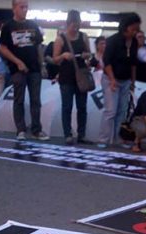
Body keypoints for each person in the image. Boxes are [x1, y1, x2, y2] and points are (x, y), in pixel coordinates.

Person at [0, 0, 49, 141]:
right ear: (14, 8)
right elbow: (3, 48)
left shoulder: (32, 25)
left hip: (34, 68)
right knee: (19, 100)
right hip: (17, 69)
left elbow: (39, 46)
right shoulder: (8, 26)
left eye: (26, 7)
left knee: (35, 100)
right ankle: (20, 130)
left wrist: (42, 64)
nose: (25, 9)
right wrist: (17, 61)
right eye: (22, 7)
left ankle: (36, 130)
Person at [98, 13, 141, 147]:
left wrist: (133, 82)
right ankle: (103, 139)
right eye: (133, 29)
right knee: (110, 111)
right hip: (111, 78)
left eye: (137, 29)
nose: (135, 32)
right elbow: (107, 61)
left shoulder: (134, 42)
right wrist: (112, 80)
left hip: (126, 80)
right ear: (126, 27)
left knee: (122, 111)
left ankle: (117, 138)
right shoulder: (113, 40)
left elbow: (134, 63)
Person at [53, 9, 91, 145]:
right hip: (66, 77)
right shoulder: (60, 39)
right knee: (67, 107)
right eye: (73, 25)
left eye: (78, 25)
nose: (75, 28)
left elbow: (88, 53)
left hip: (81, 76)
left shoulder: (83, 36)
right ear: (67, 24)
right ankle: (67, 134)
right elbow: (55, 59)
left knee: (82, 107)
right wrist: (63, 56)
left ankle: (82, 134)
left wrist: (87, 55)